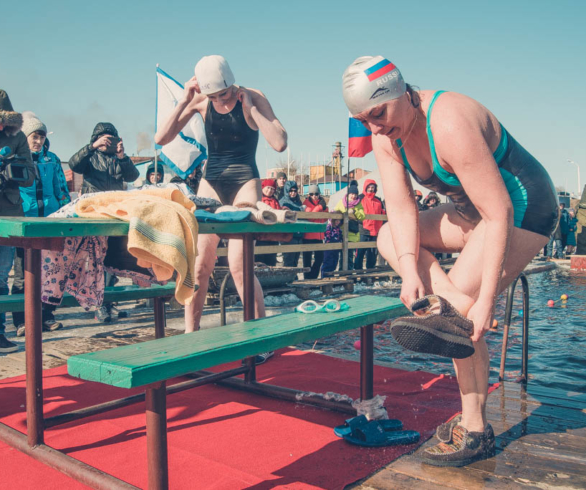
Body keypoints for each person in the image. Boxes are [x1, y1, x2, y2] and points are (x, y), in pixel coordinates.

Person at [342, 56, 558, 466]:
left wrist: (486, 302)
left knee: (466, 317)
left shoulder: (450, 123)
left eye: (378, 114)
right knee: (389, 237)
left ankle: (475, 429)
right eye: (362, 120)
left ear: (402, 94)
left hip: (523, 208)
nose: (374, 127)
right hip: (471, 213)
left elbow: (499, 216)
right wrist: (409, 272)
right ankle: (451, 307)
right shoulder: (387, 139)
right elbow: (402, 212)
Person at [155, 55, 287, 365]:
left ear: (232, 83)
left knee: (240, 265)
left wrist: (251, 110)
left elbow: (279, 142)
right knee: (199, 264)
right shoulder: (201, 100)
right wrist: (185, 101)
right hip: (211, 182)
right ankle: (192, 335)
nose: (220, 101)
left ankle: (259, 337)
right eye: (213, 96)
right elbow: (162, 138)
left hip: (244, 181)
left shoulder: (253, 96)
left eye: (224, 94)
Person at [69, 122, 139, 322]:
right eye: (104, 138)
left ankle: (106, 303)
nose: (107, 142)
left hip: (115, 212)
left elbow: (133, 175)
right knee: (95, 261)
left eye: (111, 138)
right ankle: (98, 304)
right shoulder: (89, 157)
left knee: (110, 261)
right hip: (94, 212)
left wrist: (122, 156)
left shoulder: (119, 159)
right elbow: (74, 164)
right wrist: (92, 147)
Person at [13, 112, 71, 336]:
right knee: (23, 273)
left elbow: (61, 190)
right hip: (25, 223)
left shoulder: (52, 159)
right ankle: (21, 320)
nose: (38, 141)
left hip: (49, 222)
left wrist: (65, 214)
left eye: (41, 137)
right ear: (24, 136)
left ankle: (47, 315)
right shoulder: (17, 159)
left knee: (50, 272)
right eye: (34, 136)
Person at [0, 90, 35, 353]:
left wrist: (9, 170)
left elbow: (29, 176)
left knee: (1, 275)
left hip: (7, 213)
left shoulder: (18, 137)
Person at [355, 179, 384, 269]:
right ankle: (358, 271)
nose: (371, 189)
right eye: (369, 187)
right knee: (360, 252)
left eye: (373, 187)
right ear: (365, 187)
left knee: (372, 253)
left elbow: (382, 213)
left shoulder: (378, 201)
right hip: (363, 230)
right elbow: (355, 212)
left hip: (375, 230)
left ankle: (370, 271)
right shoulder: (360, 198)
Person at [334, 184, 365, 269]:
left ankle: (349, 271)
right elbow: (335, 212)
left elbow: (362, 216)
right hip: (342, 232)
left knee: (350, 255)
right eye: (352, 194)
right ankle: (341, 271)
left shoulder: (358, 204)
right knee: (342, 255)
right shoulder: (342, 202)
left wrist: (355, 211)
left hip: (352, 233)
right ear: (348, 194)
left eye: (355, 194)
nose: (353, 196)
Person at [302, 184, 327, 278]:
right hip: (308, 236)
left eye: (316, 193)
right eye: (312, 194)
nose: (314, 196)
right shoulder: (305, 203)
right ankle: (307, 278)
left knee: (320, 258)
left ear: (319, 194)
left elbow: (325, 218)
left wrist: (324, 208)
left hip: (319, 236)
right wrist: (320, 208)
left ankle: (313, 276)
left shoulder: (322, 203)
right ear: (309, 195)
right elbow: (310, 217)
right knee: (307, 259)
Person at [255, 178, 281, 266]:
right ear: (263, 187)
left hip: (273, 236)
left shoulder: (276, 201)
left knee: (271, 261)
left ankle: (270, 278)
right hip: (261, 236)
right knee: (259, 260)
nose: (270, 190)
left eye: (272, 189)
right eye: (268, 188)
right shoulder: (258, 199)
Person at [279, 180, 305, 267]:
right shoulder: (283, 202)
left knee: (295, 261)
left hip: (298, 235)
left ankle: (293, 278)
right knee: (288, 260)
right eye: (290, 191)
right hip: (288, 235)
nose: (293, 193)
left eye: (295, 191)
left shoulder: (298, 202)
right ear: (287, 191)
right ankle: (287, 279)